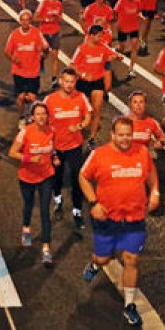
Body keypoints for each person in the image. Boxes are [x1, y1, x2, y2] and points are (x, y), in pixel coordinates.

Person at [79, 116, 159, 327]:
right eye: (121, 135)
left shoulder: (141, 151)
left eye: (128, 134)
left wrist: (155, 191)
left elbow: (150, 171)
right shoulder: (99, 155)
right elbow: (83, 177)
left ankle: (129, 305)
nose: (125, 139)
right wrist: (93, 202)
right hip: (107, 218)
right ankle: (96, 264)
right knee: (104, 258)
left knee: (131, 259)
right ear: (112, 135)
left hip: (134, 217)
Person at [9, 102, 57, 267]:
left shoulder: (52, 131)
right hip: (27, 176)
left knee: (45, 211)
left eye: (44, 114)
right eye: (38, 114)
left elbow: (53, 147)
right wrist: (29, 158)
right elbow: (12, 152)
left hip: (46, 175)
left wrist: (55, 158)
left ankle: (46, 248)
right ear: (32, 117)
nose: (41, 117)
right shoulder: (25, 132)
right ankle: (27, 228)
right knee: (28, 204)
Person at [44, 68, 92, 230]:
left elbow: (88, 118)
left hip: (75, 146)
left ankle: (77, 211)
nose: (69, 85)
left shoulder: (81, 98)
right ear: (60, 81)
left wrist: (79, 126)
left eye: (72, 82)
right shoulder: (50, 100)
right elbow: (41, 120)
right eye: (66, 81)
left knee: (76, 179)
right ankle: (57, 200)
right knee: (57, 177)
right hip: (56, 147)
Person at [71, 24, 120, 144]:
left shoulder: (103, 47)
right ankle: (78, 130)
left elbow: (112, 55)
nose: (100, 38)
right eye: (98, 36)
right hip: (83, 82)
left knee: (97, 110)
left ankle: (92, 138)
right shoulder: (82, 48)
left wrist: (117, 57)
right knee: (81, 110)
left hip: (97, 82)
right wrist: (83, 75)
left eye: (101, 36)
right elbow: (72, 65)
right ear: (91, 36)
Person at [4, 9, 49, 119]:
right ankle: (22, 117)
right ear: (20, 21)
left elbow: (46, 48)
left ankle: (32, 117)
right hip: (19, 71)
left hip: (33, 71)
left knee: (33, 97)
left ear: (30, 21)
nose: (25, 22)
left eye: (27, 20)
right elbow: (6, 52)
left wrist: (43, 53)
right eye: (23, 20)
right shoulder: (14, 34)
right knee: (21, 97)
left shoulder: (37, 33)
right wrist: (14, 59)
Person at [33, 0, 64, 85]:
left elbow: (60, 18)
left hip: (55, 32)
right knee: (42, 54)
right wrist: (46, 19)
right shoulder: (43, 4)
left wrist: (57, 18)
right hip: (44, 32)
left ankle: (54, 78)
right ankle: (39, 65)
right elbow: (35, 17)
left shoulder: (59, 4)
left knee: (55, 56)